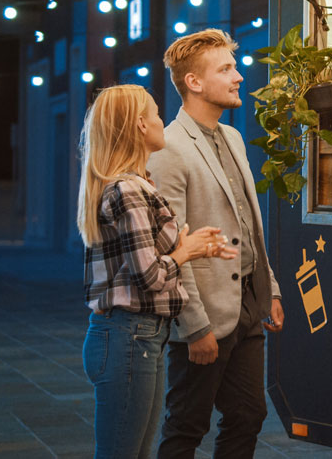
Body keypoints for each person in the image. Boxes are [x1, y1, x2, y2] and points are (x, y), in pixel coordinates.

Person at [79, 85, 238, 459]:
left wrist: (193, 245)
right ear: (138, 124)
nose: (161, 120)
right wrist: (185, 252)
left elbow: (146, 259)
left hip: (137, 337)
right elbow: (148, 277)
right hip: (128, 336)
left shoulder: (136, 184)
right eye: (154, 112)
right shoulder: (128, 190)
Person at [149, 29, 284, 458]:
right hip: (204, 311)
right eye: (225, 68)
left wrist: (270, 289)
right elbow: (173, 244)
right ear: (194, 82)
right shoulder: (168, 148)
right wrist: (195, 326)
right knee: (186, 426)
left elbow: (247, 224)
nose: (239, 76)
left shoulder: (233, 137)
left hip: (247, 301)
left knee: (248, 416)